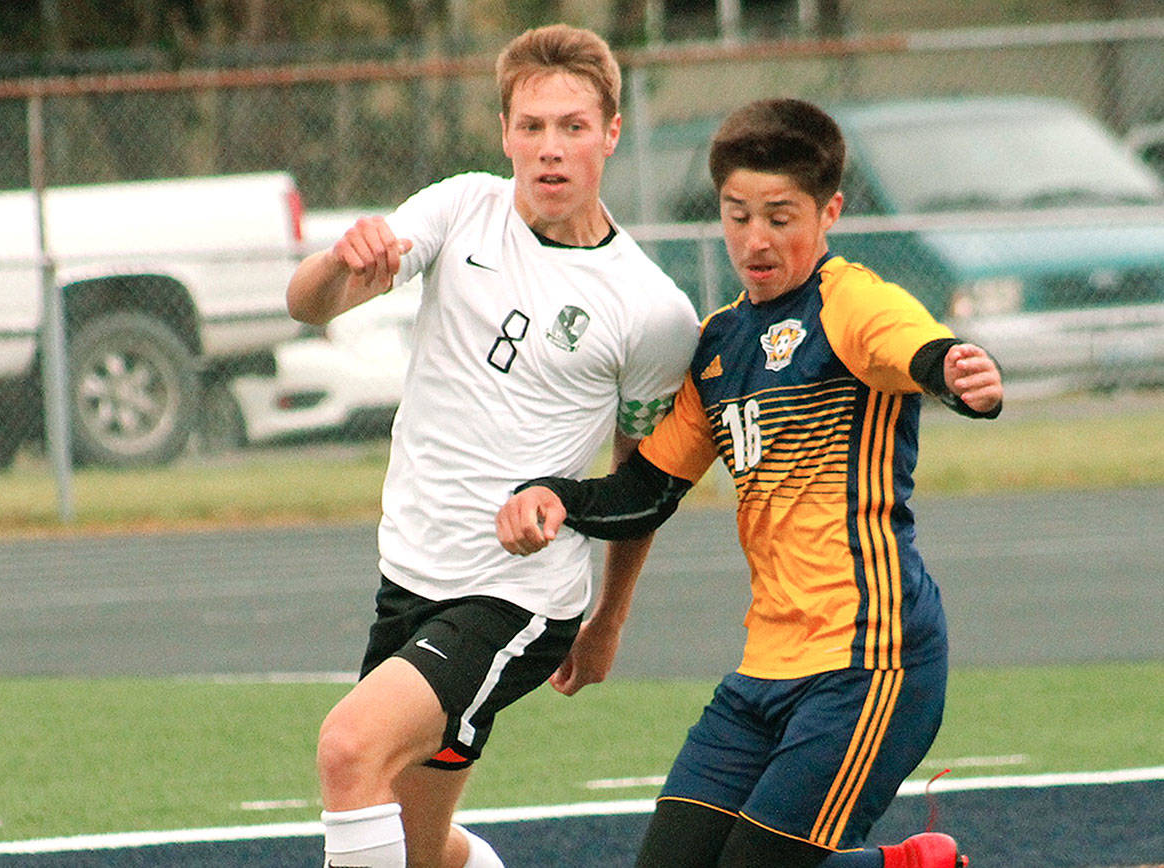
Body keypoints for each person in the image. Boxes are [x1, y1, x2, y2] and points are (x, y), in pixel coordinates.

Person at [496, 98, 1004, 868]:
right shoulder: (721, 344)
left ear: (829, 210)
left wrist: (956, 372)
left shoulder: (851, 302)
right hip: (764, 668)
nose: (756, 240)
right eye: (737, 216)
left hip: (871, 662)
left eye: (780, 216)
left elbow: (913, 346)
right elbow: (648, 490)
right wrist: (557, 497)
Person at [286, 23, 700, 868]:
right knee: (418, 848)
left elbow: (640, 476)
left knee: (347, 749)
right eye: (531, 127)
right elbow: (308, 306)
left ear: (611, 133)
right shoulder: (459, 208)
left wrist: (608, 617)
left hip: (517, 599)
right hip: (409, 575)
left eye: (573, 127)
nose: (550, 150)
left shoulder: (650, 309)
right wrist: (340, 261)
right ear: (506, 132)